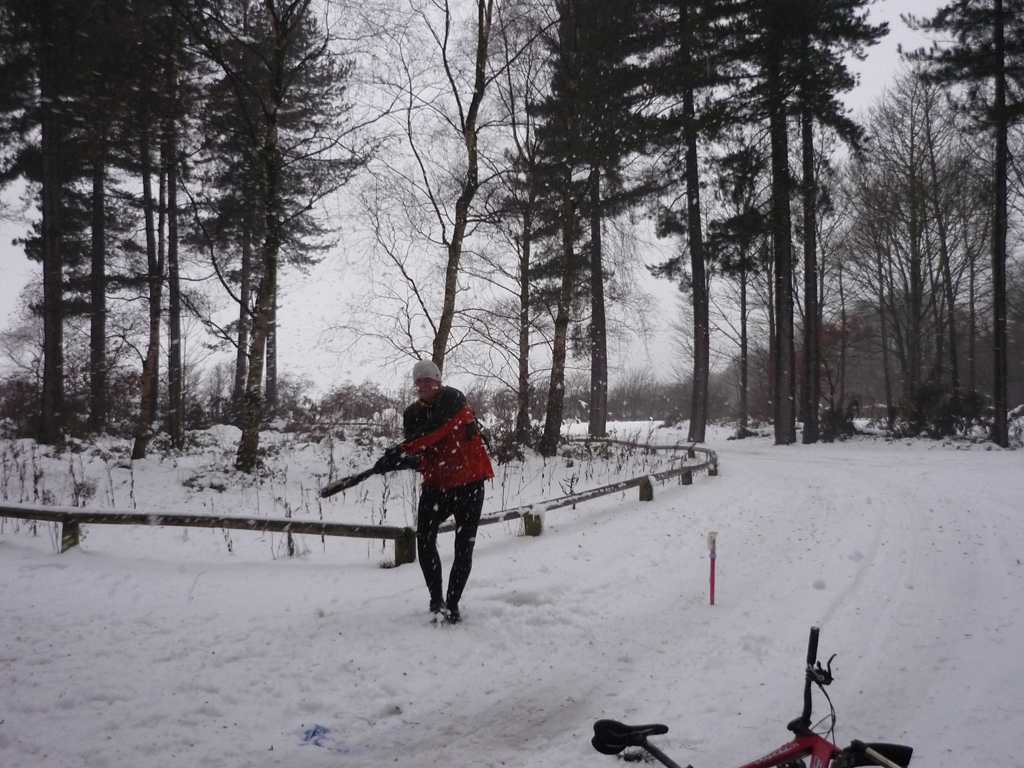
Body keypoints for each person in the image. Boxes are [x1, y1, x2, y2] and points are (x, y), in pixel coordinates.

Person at [374, 359, 494, 624]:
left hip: (470, 483)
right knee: (425, 540)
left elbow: (436, 429)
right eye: (419, 380)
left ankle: (453, 604)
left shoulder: (454, 399)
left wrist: (401, 450)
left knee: (464, 547)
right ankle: (436, 600)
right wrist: (398, 461)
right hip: (437, 485)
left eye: (428, 379)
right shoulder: (412, 414)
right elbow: (421, 454)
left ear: (438, 380)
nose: (424, 384)